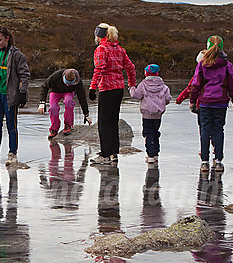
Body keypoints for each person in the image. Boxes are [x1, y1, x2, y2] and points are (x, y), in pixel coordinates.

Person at [188, 35, 233, 172]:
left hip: (205, 102)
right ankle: (218, 161)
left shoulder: (202, 64)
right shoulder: (227, 65)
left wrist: (192, 101)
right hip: (221, 102)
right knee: (218, 130)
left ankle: (204, 162)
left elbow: (196, 85)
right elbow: (232, 87)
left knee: (205, 130)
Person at [88, 23, 136, 165]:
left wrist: (92, 87)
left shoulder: (101, 49)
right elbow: (130, 67)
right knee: (113, 121)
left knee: (104, 123)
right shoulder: (120, 49)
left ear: (99, 36)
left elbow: (100, 68)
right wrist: (131, 84)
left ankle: (105, 154)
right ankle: (113, 152)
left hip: (107, 88)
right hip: (118, 88)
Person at [0, 25, 30, 167]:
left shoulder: (17, 55)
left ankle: (12, 154)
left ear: (7, 38)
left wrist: (23, 92)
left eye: (0, 40)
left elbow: (24, 75)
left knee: (11, 125)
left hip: (10, 96)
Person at [129, 64, 172, 165]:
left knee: (148, 133)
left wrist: (131, 88)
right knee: (155, 132)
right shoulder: (163, 86)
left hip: (147, 114)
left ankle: (150, 155)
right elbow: (168, 98)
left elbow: (136, 95)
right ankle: (156, 154)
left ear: (146, 73)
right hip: (158, 114)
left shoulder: (143, 84)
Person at [38, 68, 90, 139]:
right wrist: (42, 102)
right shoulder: (57, 75)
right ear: (63, 77)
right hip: (55, 91)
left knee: (68, 102)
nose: (68, 85)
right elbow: (45, 86)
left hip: (69, 92)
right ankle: (54, 129)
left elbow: (82, 97)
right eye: (67, 83)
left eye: (70, 84)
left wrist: (86, 114)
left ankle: (68, 125)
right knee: (53, 108)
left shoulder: (78, 82)